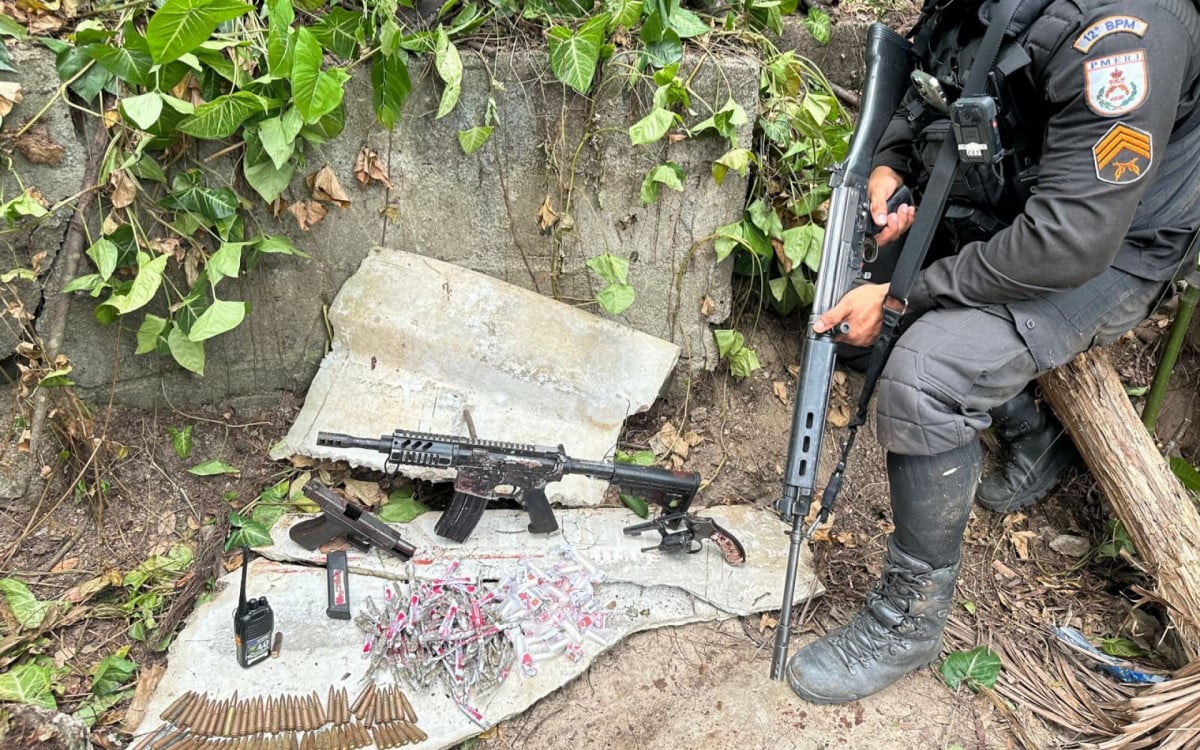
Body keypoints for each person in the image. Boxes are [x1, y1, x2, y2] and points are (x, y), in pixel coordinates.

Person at [786, 0, 1200, 704]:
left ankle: (908, 622)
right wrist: (888, 165)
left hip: (1112, 250)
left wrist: (902, 294)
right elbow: (933, 82)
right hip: (1021, 203)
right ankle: (1034, 432)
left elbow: (1070, 242)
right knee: (849, 328)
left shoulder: (1125, 31)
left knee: (924, 375)